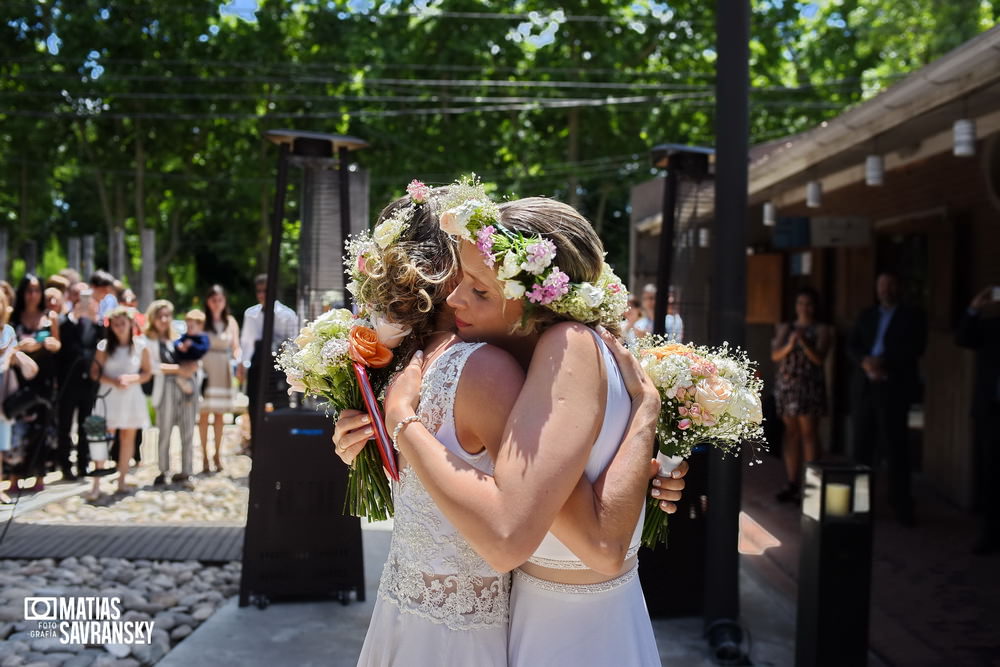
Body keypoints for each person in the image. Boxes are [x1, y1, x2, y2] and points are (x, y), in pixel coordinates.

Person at [333, 187, 685, 666]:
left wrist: (402, 422)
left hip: (571, 634)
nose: (454, 298)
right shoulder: (556, 353)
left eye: (480, 289)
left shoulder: (569, 346)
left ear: (539, 300)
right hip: (546, 612)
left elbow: (594, 545)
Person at [848, 271, 926, 526]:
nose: (885, 289)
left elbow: (917, 347)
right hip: (867, 386)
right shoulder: (867, 315)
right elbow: (852, 345)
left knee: (896, 448)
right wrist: (865, 362)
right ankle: (860, 504)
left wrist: (885, 362)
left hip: (893, 386)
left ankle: (901, 504)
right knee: (862, 447)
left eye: (890, 284)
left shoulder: (911, 316)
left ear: (898, 287)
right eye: (881, 285)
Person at [771, 287, 832, 503]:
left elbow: (819, 359)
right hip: (788, 385)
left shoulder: (822, 329)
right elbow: (775, 355)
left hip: (809, 385)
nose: (804, 308)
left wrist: (804, 343)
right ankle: (791, 482)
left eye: (808, 304)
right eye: (800, 303)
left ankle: (812, 486)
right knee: (791, 433)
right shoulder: (785, 328)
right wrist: (791, 343)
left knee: (809, 433)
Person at [955, 285, 1000, 555]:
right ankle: (990, 533)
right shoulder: (992, 326)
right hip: (991, 409)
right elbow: (962, 338)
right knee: (990, 472)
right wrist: (974, 308)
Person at [91, 307, 151, 496]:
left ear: (131, 324)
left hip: (131, 396)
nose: (119, 328)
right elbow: (95, 372)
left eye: (122, 323)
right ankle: (96, 483)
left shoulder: (141, 345)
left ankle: (122, 480)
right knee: (102, 438)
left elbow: (147, 372)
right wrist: (113, 381)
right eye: (115, 324)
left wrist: (130, 379)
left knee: (127, 437)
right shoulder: (104, 346)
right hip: (109, 395)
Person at [9, 274, 61, 492]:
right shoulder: (14, 317)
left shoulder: (50, 317)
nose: (33, 295)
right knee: (18, 425)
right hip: (20, 379)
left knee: (42, 427)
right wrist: (23, 347)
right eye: (29, 290)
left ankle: (39, 475)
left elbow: (58, 345)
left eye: (36, 290)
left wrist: (50, 344)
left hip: (45, 380)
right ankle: (14, 477)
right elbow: (7, 347)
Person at [238, 273, 297, 444]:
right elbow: (246, 342)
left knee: (281, 405)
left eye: (266, 290)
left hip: (278, 364)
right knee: (255, 404)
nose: (262, 295)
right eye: (259, 291)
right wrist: (242, 365)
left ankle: (281, 442)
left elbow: (292, 342)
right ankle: (256, 443)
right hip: (257, 363)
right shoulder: (251, 314)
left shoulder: (287, 314)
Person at [145, 300, 199, 489]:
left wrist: (189, 369)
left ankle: (187, 470)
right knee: (165, 432)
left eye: (167, 315)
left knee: (187, 431)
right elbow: (151, 366)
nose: (164, 319)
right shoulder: (148, 341)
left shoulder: (177, 338)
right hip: (165, 388)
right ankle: (163, 469)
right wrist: (177, 370)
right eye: (160, 316)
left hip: (185, 390)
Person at [55, 283, 103, 479]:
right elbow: (63, 346)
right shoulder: (64, 322)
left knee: (86, 423)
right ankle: (65, 465)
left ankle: (84, 464)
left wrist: (94, 318)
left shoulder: (95, 323)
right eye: (77, 295)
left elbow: (102, 345)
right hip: (68, 381)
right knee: (65, 425)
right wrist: (74, 317)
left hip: (88, 382)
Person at [1, 292, 40, 503]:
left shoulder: (7, 331)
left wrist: (16, 352)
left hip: (3, 394)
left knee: (0, 444)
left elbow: (29, 370)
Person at [199, 285, 240, 474]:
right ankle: (205, 457)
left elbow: (235, 347)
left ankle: (217, 454)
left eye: (220, 299)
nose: (217, 303)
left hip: (223, 369)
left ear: (224, 301)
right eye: (213, 299)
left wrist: (239, 364)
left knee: (219, 415)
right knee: (204, 414)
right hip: (205, 370)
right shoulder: (202, 320)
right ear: (208, 301)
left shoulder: (230, 322)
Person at [173, 309, 209, 396]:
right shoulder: (185, 336)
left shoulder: (203, 338)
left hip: (195, 365)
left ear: (200, 326)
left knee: (195, 383)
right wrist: (179, 345)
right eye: (187, 327)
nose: (189, 329)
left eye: (191, 327)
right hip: (183, 363)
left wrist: (192, 345)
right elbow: (176, 342)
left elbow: (203, 349)